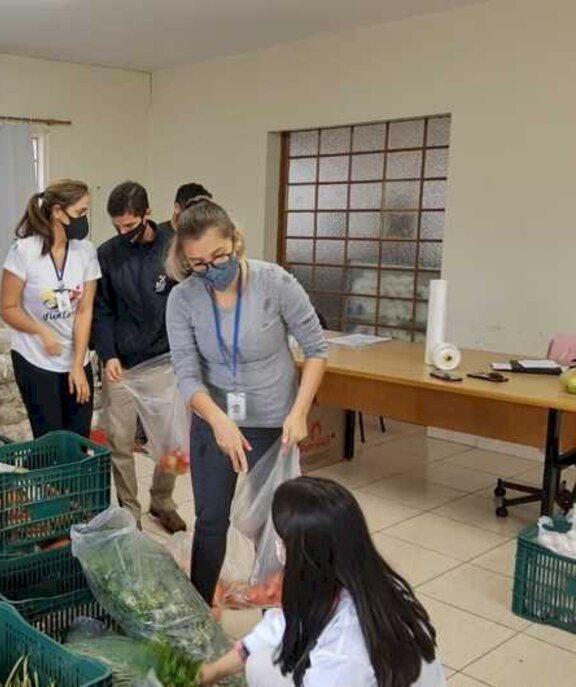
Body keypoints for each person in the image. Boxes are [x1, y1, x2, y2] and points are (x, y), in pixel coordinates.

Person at [165, 197, 327, 602]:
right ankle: (201, 614)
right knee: (210, 520)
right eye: (197, 263)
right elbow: (186, 374)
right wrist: (218, 422)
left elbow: (316, 350)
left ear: (236, 242)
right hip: (215, 419)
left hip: (274, 421)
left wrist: (299, 412)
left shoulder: (275, 284)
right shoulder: (183, 299)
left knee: (275, 525)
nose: (210, 270)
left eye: (218, 256)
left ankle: (278, 622)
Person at [199, 476, 446, 687]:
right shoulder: (364, 581)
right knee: (261, 662)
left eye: (282, 538)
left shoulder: (345, 647)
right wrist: (210, 673)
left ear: (304, 553)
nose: (277, 545)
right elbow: (275, 629)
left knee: (264, 667)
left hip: (349, 673)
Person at [94, 181, 185, 533]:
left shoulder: (172, 248)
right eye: (117, 226)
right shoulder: (108, 254)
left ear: (148, 214)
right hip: (122, 363)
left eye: (130, 226)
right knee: (119, 440)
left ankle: (163, 501)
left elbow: (186, 303)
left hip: (166, 360)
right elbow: (101, 309)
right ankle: (129, 511)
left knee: (171, 441)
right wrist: (107, 354)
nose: (123, 233)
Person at [1, 179, 101, 438]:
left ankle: (74, 481)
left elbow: (84, 310)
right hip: (34, 358)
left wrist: (77, 364)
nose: (84, 219)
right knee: (49, 440)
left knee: (78, 439)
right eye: (80, 213)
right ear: (57, 211)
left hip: (75, 356)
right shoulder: (24, 251)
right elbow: (8, 307)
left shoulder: (86, 252)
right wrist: (40, 331)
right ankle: (47, 481)